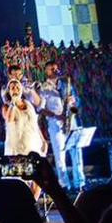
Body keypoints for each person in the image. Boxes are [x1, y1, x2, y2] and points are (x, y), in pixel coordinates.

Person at [39, 62, 84, 190]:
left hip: (71, 121)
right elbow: (41, 109)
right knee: (60, 155)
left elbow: (77, 104)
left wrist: (73, 102)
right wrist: (56, 116)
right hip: (55, 123)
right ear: (47, 71)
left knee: (76, 152)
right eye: (52, 69)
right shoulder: (43, 88)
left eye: (56, 68)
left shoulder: (66, 85)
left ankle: (80, 183)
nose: (55, 70)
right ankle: (64, 185)